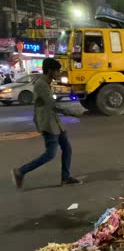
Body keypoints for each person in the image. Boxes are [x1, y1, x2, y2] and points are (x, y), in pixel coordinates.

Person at [11, 58, 82, 189]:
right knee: (50, 154)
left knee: (67, 148)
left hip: (55, 122)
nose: (58, 73)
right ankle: (20, 171)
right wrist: (71, 112)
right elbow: (52, 104)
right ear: (49, 70)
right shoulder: (41, 85)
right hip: (48, 124)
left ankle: (65, 178)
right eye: (57, 71)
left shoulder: (46, 83)